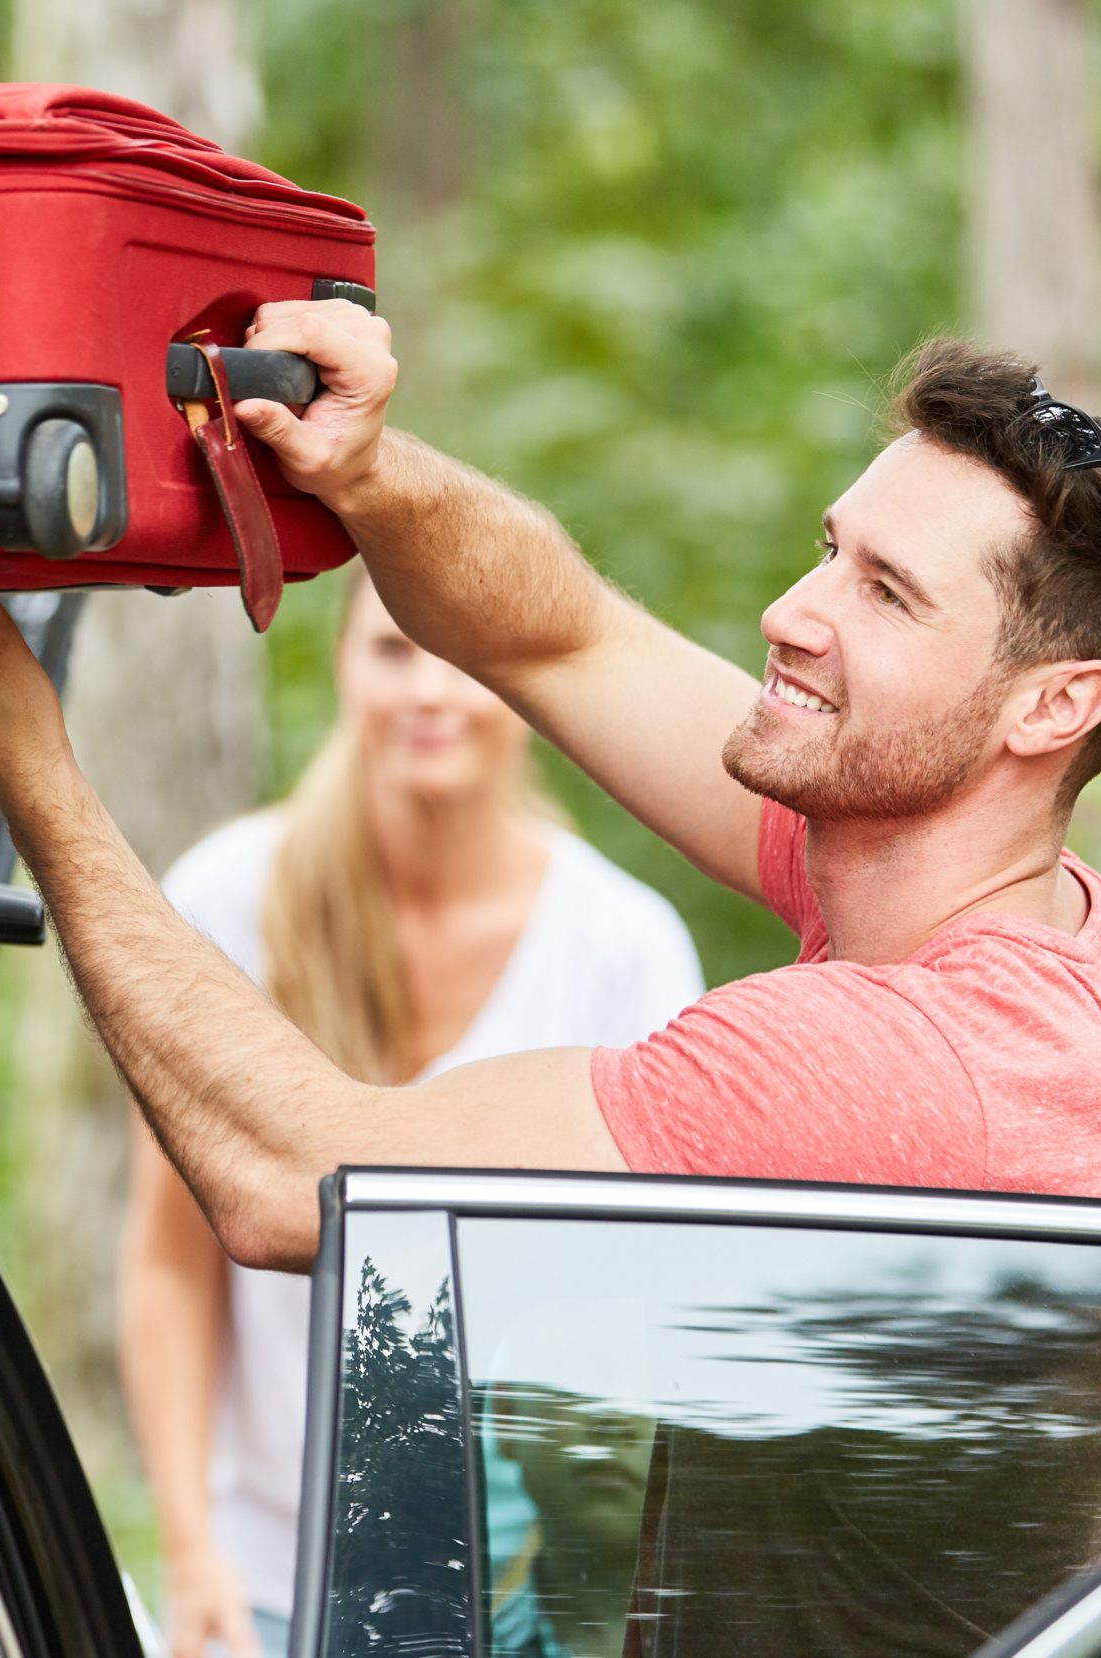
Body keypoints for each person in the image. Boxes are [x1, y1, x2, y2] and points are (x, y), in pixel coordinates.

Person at [0, 320, 1101, 1277]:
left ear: (1057, 708)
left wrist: (29, 767)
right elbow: (561, 633)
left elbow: (295, 1180)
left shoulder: (902, 1069)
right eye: (831, 549)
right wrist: (372, 471)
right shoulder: (1060, 935)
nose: (792, 611)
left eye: (888, 595)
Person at [120, 571, 701, 1658]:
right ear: (342, 664)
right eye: (392, 650)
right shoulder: (225, 898)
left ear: (527, 685)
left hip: (512, 1584)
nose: (430, 690)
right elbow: (169, 1261)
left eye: (466, 657)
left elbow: (642, 1320)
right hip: (263, 1571)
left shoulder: (625, 945)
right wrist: (191, 1554)